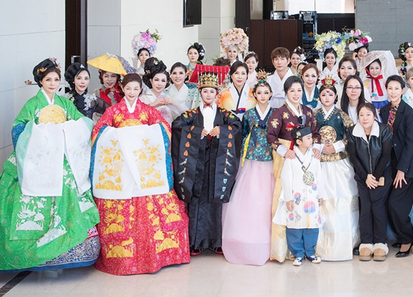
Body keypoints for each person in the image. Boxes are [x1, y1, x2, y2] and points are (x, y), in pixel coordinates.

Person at [0, 58, 100, 272]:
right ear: (41, 81)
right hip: (39, 157)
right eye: (48, 79)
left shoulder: (64, 103)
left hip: (62, 157)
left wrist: (65, 130)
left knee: (71, 184)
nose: (53, 83)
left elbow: (81, 123)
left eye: (56, 79)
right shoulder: (33, 104)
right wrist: (41, 134)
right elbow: (18, 128)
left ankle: (72, 244)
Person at [91, 73, 189, 275]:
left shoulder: (147, 111)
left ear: (140, 90)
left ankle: (157, 254)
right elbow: (99, 131)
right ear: (123, 89)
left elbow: (163, 128)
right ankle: (124, 257)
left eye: (136, 89)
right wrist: (120, 137)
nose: (132, 92)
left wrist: (142, 137)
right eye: (128, 89)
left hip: (144, 167)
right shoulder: (114, 111)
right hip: (123, 167)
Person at [171, 72, 242, 256]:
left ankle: (216, 241)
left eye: (212, 91)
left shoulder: (225, 114)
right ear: (200, 93)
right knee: (197, 198)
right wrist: (195, 132)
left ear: (216, 93)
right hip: (197, 161)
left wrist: (222, 129)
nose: (208, 95)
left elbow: (237, 127)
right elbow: (177, 124)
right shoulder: (191, 114)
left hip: (217, 162)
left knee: (215, 198)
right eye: (205, 91)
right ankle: (196, 241)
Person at [222, 73, 275, 265]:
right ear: (255, 95)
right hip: (251, 159)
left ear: (270, 94)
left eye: (265, 92)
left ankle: (270, 242)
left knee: (268, 200)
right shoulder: (250, 114)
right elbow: (243, 134)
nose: (262, 95)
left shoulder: (275, 113)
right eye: (259, 92)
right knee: (250, 199)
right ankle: (245, 241)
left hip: (270, 159)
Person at [267, 76, 321, 262]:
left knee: (307, 197)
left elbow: (316, 132)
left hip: (307, 156)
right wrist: (283, 150)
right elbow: (271, 136)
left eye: (299, 90)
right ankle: (285, 248)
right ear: (286, 92)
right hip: (287, 157)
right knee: (284, 196)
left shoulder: (308, 111)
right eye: (292, 91)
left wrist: (316, 147)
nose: (296, 94)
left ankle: (309, 248)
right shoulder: (279, 112)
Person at [314, 76, 360, 261]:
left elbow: (352, 135)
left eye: (330, 94)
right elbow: (307, 134)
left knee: (343, 198)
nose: (327, 97)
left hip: (339, 162)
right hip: (320, 163)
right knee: (322, 198)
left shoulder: (342, 115)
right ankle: (320, 242)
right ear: (320, 96)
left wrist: (337, 146)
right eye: (324, 94)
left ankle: (347, 241)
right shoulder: (313, 115)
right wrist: (318, 147)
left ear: (335, 97)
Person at [381, 76, 413, 258]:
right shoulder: (384, 110)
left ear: (403, 90)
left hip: (407, 167)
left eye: (396, 88)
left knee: (396, 204)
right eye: (389, 88)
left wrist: (402, 170)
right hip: (390, 165)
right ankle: (402, 236)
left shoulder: (408, 113)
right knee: (388, 204)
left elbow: (410, 144)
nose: (392, 92)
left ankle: (408, 239)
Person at [272, 125, 325, 266]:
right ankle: (298, 253)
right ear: (299, 141)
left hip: (312, 195)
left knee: (312, 224)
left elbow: (319, 175)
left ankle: (310, 252)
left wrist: (320, 194)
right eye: (308, 138)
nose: (311, 140)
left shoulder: (314, 156)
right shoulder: (291, 157)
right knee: (295, 225)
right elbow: (286, 178)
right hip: (296, 197)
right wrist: (288, 198)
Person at [347, 103, 393, 261]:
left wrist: (374, 176)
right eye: (361, 115)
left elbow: (386, 155)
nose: (364, 118)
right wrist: (366, 176)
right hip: (362, 177)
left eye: (368, 114)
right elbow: (353, 156)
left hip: (381, 175)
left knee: (378, 208)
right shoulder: (353, 131)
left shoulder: (384, 130)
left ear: (374, 116)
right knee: (365, 209)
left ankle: (380, 243)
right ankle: (366, 243)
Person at [141, 57, 177, 123]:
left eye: (163, 81)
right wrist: (153, 104)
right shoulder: (143, 98)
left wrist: (174, 103)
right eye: (156, 80)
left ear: (167, 82)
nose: (159, 84)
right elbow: (136, 115)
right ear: (151, 80)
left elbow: (182, 114)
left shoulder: (168, 98)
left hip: (167, 132)